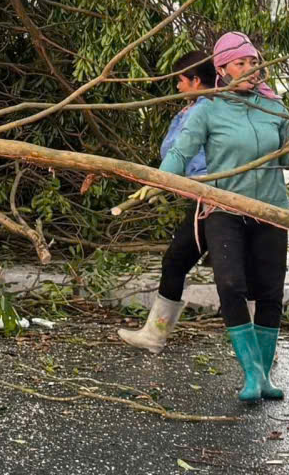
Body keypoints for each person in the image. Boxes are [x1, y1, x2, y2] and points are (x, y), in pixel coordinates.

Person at [160, 32, 289, 402]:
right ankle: (251, 374)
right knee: (231, 285)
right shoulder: (208, 109)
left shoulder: (275, 109)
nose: (250, 69)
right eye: (241, 63)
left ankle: (262, 377)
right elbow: (181, 154)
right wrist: (153, 180)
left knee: (270, 292)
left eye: (253, 62)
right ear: (221, 69)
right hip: (224, 209)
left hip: (270, 209)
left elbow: (287, 158)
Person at [118, 49, 217, 352]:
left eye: (180, 80)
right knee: (230, 270)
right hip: (205, 196)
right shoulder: (202, 107)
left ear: (196, 81)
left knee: (179, 261)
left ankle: (155, 335)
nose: (176, 86)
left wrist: (157, 184)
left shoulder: (203, 112)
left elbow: (187, 156)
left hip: (210, 198)